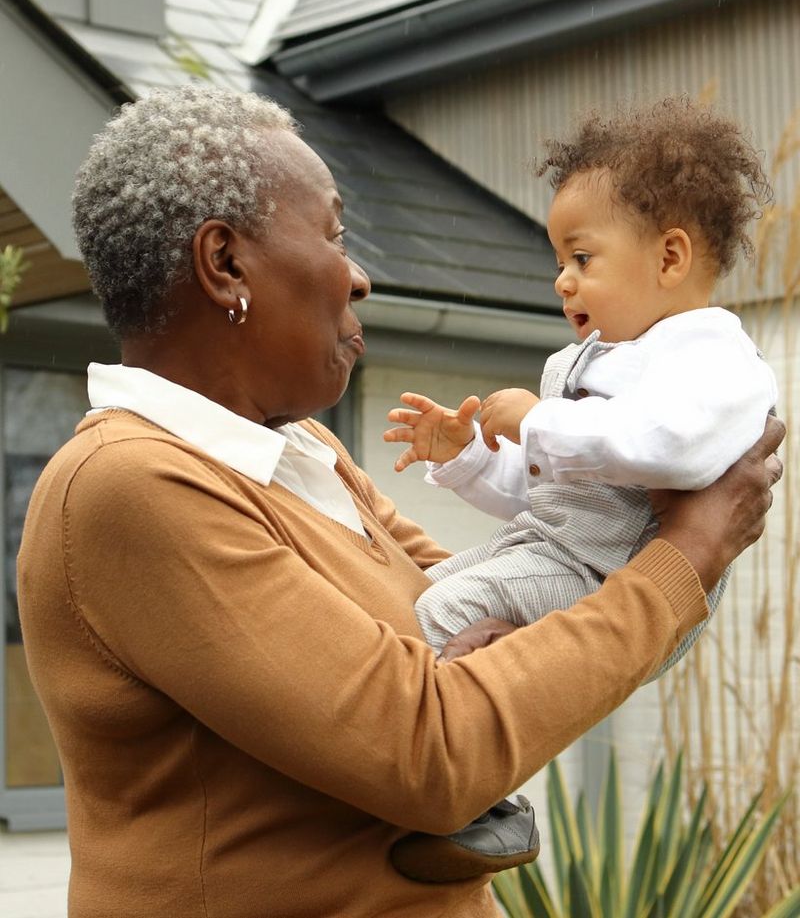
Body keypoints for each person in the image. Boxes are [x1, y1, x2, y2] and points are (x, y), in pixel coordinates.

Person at [17, 86, 782, 918]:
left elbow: (506, 608)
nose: (360, 275)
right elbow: (433, 745)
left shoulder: (305, 455)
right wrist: (689, 553)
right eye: (335, 233)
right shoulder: (132, 487)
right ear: (225, 264)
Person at [384, 98, 777, 673]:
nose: (561, 282)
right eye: (560, 261)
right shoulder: (584, 362)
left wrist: (536, 421)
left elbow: (668, 449)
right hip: (547, 550)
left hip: (613, 576)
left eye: (582, 258)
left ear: (669, 257)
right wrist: (468, 457)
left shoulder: (714, 358)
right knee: (405, 595)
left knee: (441, 611)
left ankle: (422, 745)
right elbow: (550, 493)